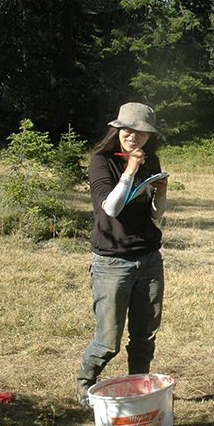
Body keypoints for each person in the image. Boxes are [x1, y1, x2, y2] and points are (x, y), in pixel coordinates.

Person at [75, 102, 169, 408]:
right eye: (128, 129)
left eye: (141, 132)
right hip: (112, 261)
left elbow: (156, 214)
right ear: (117, 129)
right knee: (108, 341)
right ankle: (85, 385)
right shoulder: (101, 161)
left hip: (149, 259)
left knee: (144, 337)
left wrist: (161, 190)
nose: (133, 136)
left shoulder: (150, 160)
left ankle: (139, 391)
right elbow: (111, 209)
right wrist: (129, 171)